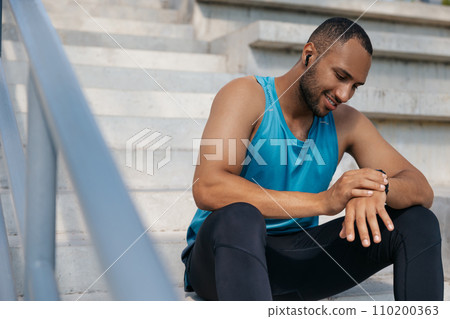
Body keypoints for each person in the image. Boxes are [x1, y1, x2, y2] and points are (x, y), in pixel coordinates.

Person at [181, 17, 443, 301]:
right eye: (341, 76)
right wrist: (324, 201)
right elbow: (207, 186)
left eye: (356, 86)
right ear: (309, 55)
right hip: (223, 257)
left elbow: (421, 188)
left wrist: (378, 188)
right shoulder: (247, 96)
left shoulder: (346, 122)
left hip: (298, 259)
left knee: (418, 221)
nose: (345, 94)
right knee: (240, 216)